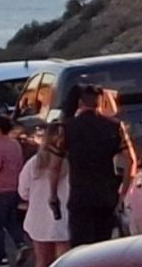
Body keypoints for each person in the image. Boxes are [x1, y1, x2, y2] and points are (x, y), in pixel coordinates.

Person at [49, 85, 134, 247]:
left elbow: (54, 166)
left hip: (80, 195)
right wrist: (123, 193)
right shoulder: (114, 127)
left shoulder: (66, 128)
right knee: (103, 246)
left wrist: (53, 195)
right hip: (106, 195)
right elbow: (130, 160)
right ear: (100, 102)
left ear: (80, 102)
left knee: (80, 246)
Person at [19, 125, 70, 267]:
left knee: (42, 261)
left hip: (39, 218)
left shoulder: (33, 164)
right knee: (65, 262)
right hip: (64, 217)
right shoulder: (70, 165)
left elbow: (23, 192)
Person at [0, 115, 30, 267]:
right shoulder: (14, 144)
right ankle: (21, 243)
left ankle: (1, 257)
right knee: (11, 220)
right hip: (13, 187)